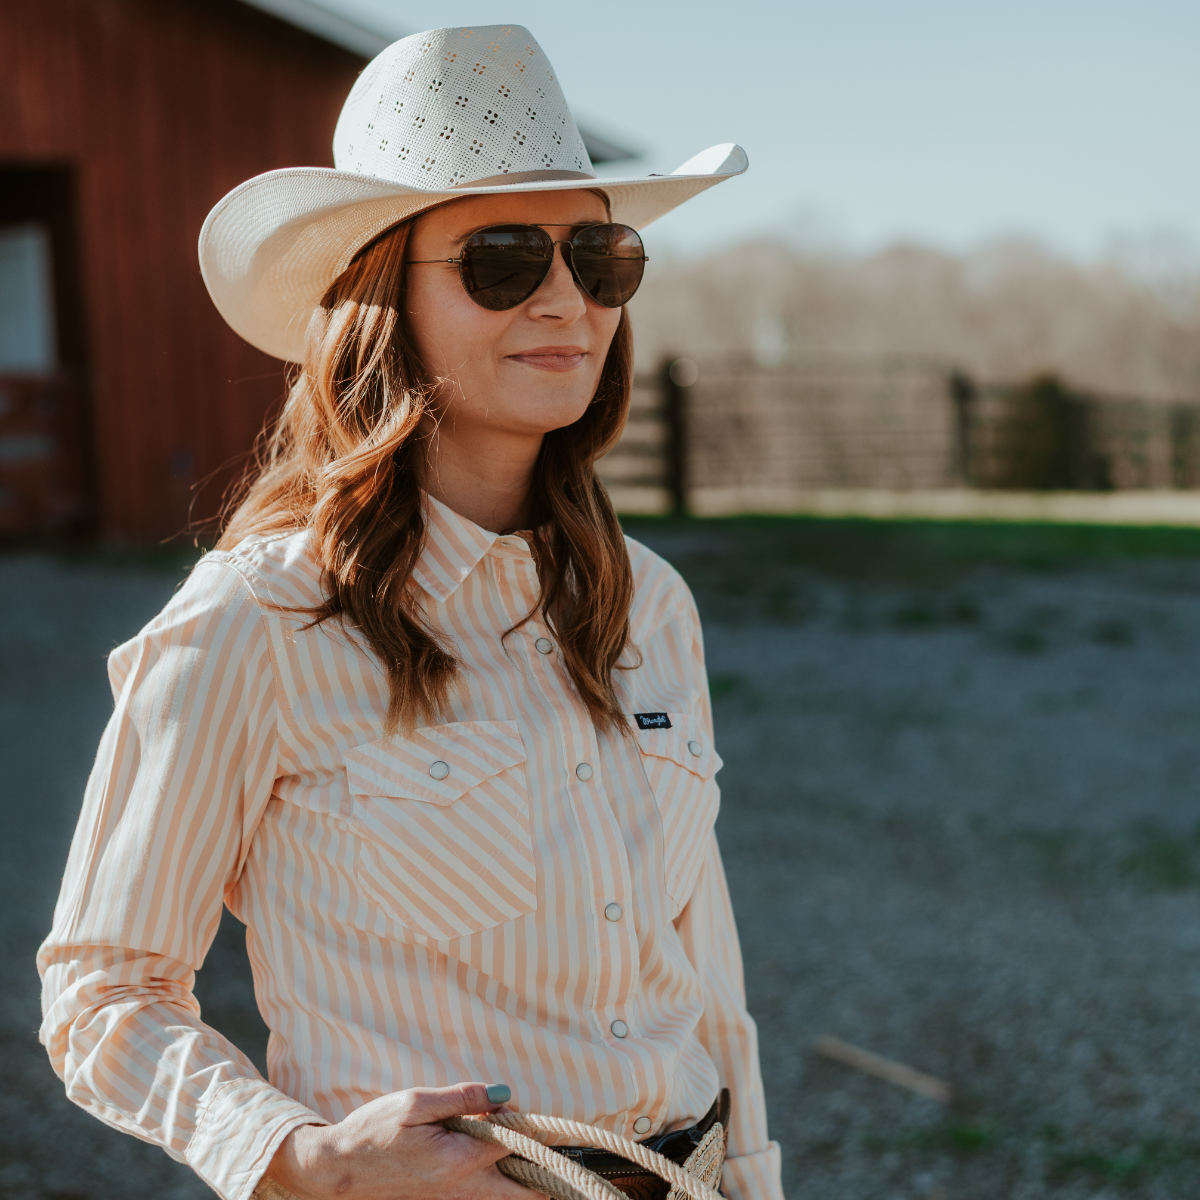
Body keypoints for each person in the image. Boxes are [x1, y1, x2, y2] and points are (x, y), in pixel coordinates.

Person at [37, 25, 780, 1200]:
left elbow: (702, 970)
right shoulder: (258, 618)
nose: (567, 301)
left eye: (600, 259)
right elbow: (103, 993)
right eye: (502, 261)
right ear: (381, 296)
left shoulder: (650, 602)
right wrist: (304, 1161)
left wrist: (754, 1176)